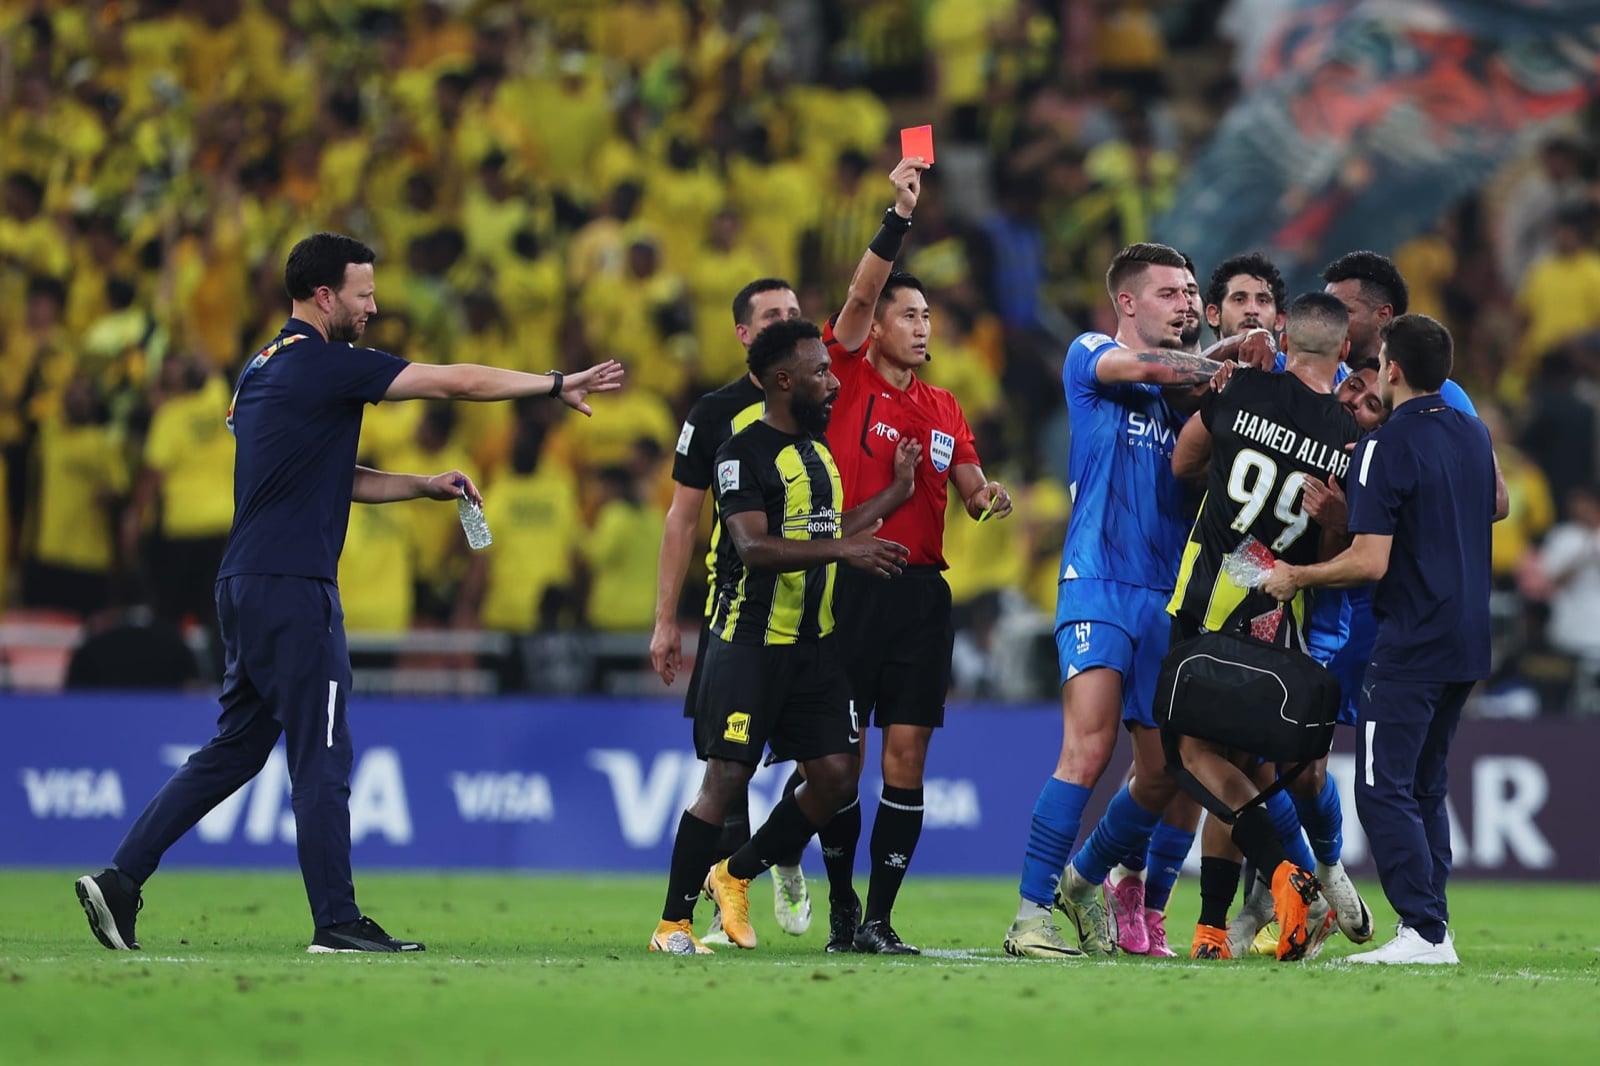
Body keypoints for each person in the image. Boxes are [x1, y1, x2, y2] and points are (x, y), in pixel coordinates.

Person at [74, 232, 625, 954]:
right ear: (324, 295)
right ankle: (336, 920)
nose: (374, 307)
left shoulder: (262, 367)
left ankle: (120, 880)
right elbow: (454, 382)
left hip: (246, 581)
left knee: (236, 749)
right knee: (323, 753)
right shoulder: (327, 363)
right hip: (295, 587)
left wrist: (421, 485)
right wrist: (553, 384)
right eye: (364, 294)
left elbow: (327, 474)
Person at [1003, 242, 1267, 960]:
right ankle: (1030, 916)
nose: (1186, 303)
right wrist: (1229, 359)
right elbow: (1151, 367)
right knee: (1088, 749)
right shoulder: (1092, 353)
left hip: (1169, 596)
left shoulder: (1196, 403)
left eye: (1189, 292)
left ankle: (1088, 880)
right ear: (1127, 301)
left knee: (1165, 771)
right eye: (1169, 293)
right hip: (1098, 581)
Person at [649, 319, 916, 955]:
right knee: (726, 781)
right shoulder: (740, 454)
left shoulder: (818, 453)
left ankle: (734, 873)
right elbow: (753, 545)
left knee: (837, 776)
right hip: (749, 644)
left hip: (814, 647)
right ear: (783, 380)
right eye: (820, 372)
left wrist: (896, 493)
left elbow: (828, 529)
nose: (832, 382)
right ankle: (672, 925)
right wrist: (845, 550)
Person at [810, 158, 1015, 955]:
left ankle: (879, 919)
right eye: (910, 315)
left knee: (906, 756)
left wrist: (988, 497)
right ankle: (839, 903)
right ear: (879, 326)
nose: (924, 327)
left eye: (928, 315)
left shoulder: (945, 407)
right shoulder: (846, 377)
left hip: (922, 595)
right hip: (851, 581)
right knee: (843, 758)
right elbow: (859, 296)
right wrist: (898, 217)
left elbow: (970, 487)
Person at [1263, 314, 1496, 965]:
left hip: (1412, 639)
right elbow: (1483, 511)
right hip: (1468, 636)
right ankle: (1434, 927)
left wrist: (1298, 576)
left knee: (1381, 786)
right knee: (1425, 785)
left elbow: (1369, 562)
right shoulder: (1475, 433)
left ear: (1392, 368)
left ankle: (1422, 930)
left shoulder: (1382, 445)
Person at [1163, 292, 1367, 961]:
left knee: (1193, 757)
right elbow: (1340, 543)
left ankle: (1287, 877)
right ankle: (1212, 930)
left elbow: (1183, 463)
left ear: (1284, 338)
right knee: (1239, 764)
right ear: (1343, 351)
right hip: (1276, 612)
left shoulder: (1242, 387)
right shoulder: (1347, 436)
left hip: (1209, 598)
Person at [650, 277, 814, 944]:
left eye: (794, 313)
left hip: (817, 616)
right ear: (744, 334)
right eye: (772, 315)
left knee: (830, 765)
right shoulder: (716, 413)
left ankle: (781, 856)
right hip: (741, 613)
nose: (786, 322)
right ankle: (725, 903)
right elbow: (682, 518)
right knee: (731, 767)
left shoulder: (820, 400)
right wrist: (666, 618)